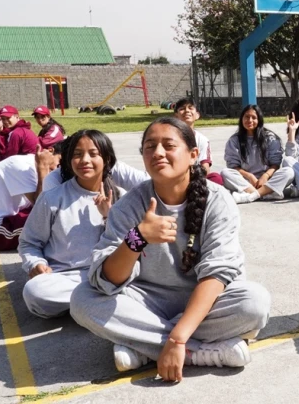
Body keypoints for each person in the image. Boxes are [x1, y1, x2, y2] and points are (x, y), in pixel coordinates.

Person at [69, 117, 271, 378]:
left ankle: (144, 346)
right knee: (82, 300)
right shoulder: (128, 205)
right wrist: (137, 238)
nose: (158, 153)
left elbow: (216, 274)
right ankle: (198, 353)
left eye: (168, 145)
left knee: (255, 303)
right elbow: (107, 280)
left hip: (206, 301)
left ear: (193, 155)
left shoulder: (218, 200)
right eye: (150, 146)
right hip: (146, 300)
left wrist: (177, 338)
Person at [18, 130, 120, 319]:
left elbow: (130, 247)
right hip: (65, 278)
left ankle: (87, 305)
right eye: (77, 154)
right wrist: (36, 263)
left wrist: (108, 217)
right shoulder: (52, 198)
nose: (85, 160)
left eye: (93, 153)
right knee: (35, 291)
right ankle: (97, 305)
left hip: (108, 275)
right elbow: (29, 242)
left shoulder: (121, 197)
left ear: (107, 158)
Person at [0, 146, 62, 251]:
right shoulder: (20, 165)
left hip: (15, 217)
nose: (58, 169)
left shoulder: (32, 164)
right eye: (59, 162)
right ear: (50, 151)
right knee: (57, 222)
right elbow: (41, 206)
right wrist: (43, 167)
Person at [221, 105, 294, 204]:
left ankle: (251, 196)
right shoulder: (234, 140)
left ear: (259, 120)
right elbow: (233, 166)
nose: (250, 120)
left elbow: (275, 164)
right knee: (225, 173)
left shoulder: (270, 137)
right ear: (241, 119)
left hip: (268, 181)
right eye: (246, 117)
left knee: (289, 172)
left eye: (254, 117)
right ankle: (266, 194)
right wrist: (250, 176)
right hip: (246, 181)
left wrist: (265, 176)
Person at [173, 98, 224, 185]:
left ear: (197, 115)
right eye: (182, 109)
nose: (187, 111)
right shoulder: (170, 137)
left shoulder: (202, 140)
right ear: (176, 116)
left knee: (216, 178)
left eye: (190, 108)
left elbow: (205, 167)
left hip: (196, 178)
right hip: (175, 177)